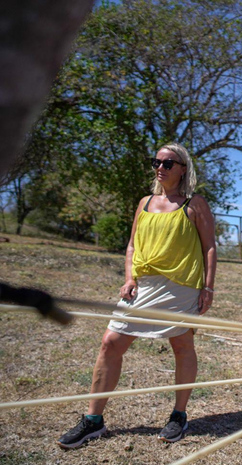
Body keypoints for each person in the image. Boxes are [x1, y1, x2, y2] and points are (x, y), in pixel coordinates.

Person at [56, 142, 217, 449]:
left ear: (183, 169)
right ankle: (93, 421)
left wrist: (208, 287)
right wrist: (129, 277)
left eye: (168, 163)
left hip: (181, 286)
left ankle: (178, 415)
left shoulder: (195, 204)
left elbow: (209, 246)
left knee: (182, 346)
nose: (160, 167)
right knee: (110, 342)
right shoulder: (145, 202)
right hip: (143, 285)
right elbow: (131, 245)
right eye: (156, 161)